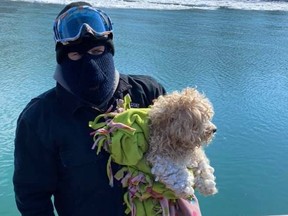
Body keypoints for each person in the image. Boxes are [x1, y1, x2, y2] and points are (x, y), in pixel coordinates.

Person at [13, 2, 166, 216]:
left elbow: (180, 151)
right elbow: (32, 199)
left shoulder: (149, 93)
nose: (91, 65)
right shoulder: (39, 119)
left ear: (109, 50)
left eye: (97, 51)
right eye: (75, 55)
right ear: (63, 58)